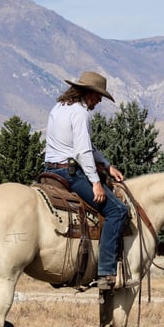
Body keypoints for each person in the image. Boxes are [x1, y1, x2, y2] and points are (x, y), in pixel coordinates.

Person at [44, 71, 133, 290]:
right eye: (98, 96)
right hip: (69, 172)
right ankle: (106, 272)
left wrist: (107, 165)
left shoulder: (59, 108)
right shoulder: (80, 113)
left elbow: (87, 147)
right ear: (88, 93)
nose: (99, 101)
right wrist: (95, 181)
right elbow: (82, 151)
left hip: (49, 170)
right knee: (117, 211)